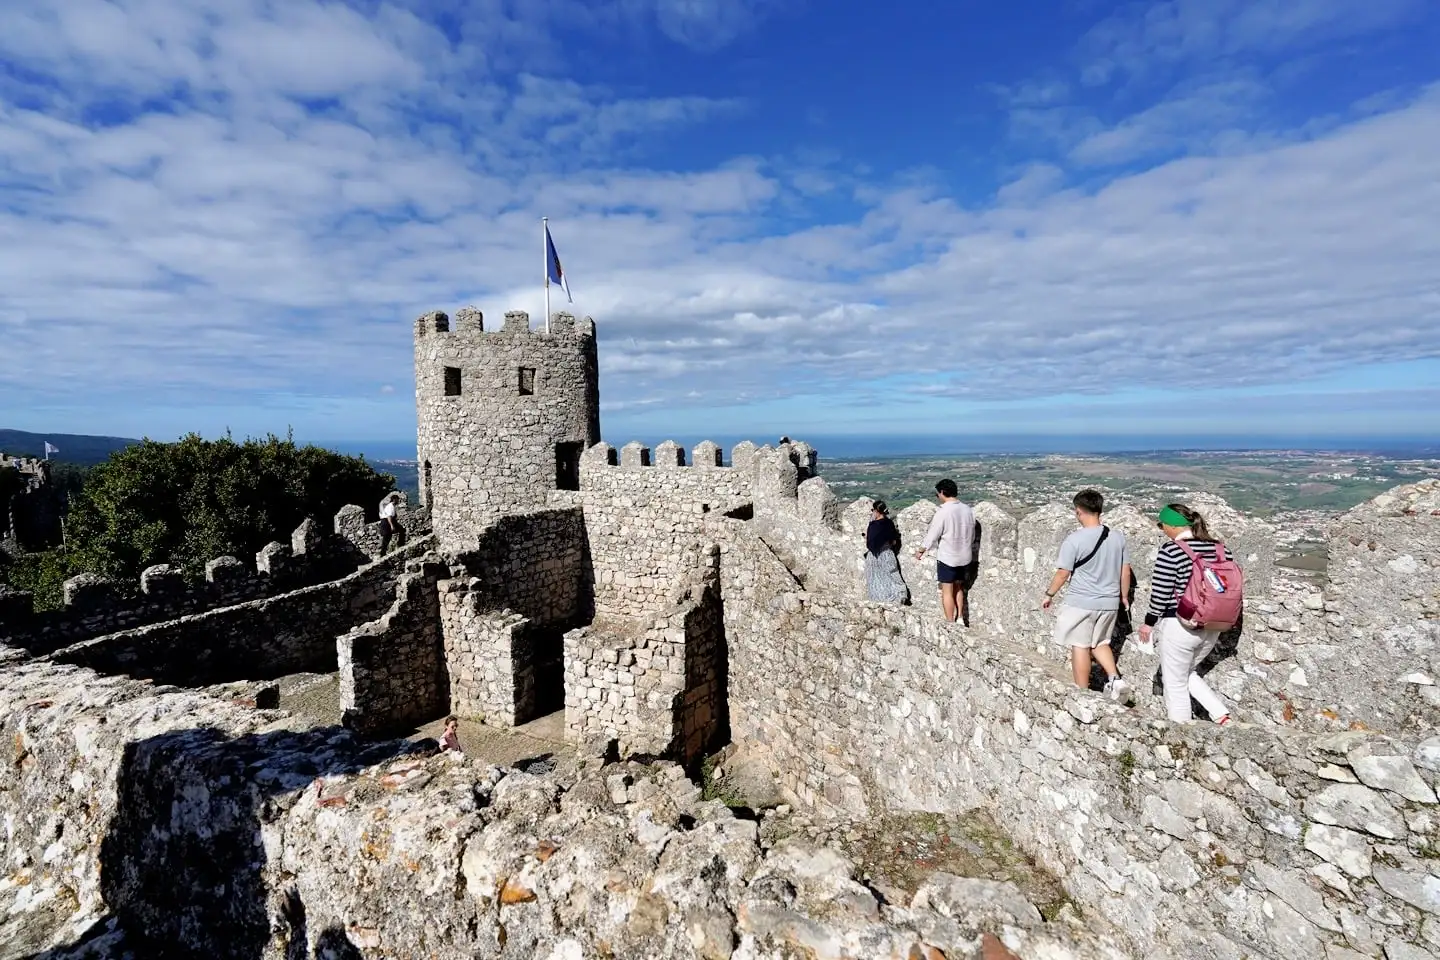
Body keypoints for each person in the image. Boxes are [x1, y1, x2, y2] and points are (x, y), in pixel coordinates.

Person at [1141, 503, 1232, 725]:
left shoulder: (1172, 550)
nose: (1162, 529)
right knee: (1186, 672)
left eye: (1162, 525)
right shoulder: (1221, 549)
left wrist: (1149, 622)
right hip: (1214, 624)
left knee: (1174, 683)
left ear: (1173, 526)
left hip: (1180, 623)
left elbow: (1161, 591)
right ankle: (1220, 715)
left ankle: (1180, 732)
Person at [1041, 490, 1133, 700]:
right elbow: (1125, 570)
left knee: (1080, 645)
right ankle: (1115, 680)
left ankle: (1082, 695)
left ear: (1078, 511)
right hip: (1110, 602)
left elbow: (1063, 573)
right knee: (1100, 643)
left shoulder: (1074, 540)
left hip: (1082, 602)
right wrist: (1124, 596)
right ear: (1100, 509)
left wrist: (1049, 594)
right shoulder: (1117, 537)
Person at [915, 479, 975, 624]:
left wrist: (921, 550)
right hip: (965, 557)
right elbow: (972, 535)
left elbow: (933, 534)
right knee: (958, 587)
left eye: (938, 495)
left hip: (948, 557)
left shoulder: (943, 512)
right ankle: (960, 617)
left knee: (947, 590)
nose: (938, 497)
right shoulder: (968, 509)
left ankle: (950, 622)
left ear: (942, 492)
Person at [864, 500, 909, 605]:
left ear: (876, 511)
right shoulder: (889, 523)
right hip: (888, 554)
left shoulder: (873, 525)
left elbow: (870, 543)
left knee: (876, 579)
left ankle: (880, 601)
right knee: (892, 576)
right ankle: (899, 597)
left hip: (875, 557)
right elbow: (893, 541)